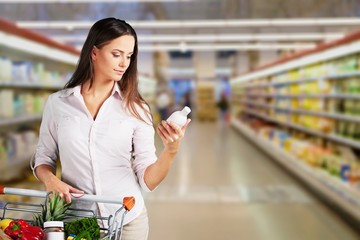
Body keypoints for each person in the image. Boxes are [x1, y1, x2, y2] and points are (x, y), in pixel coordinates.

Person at [31, 17, 191, 239]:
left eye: (129, 56)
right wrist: (50, 180)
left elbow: (148, 180)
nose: (124, 63)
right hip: (78, 222)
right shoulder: (58, 103)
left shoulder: (137, 108)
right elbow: (43, 158)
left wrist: (171, 152)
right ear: (94, 53)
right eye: (116, 54)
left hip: (126, 220)